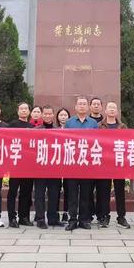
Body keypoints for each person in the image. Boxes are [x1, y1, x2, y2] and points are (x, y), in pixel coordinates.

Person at [64, 96, 98, 231]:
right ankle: (72, 220)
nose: (82, 106)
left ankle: (84, 220)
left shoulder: (93, 123)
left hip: (87, 164)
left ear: (88, 107)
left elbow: (97, 142)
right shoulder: (69, 122)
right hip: (72, 164)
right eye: (80, 104)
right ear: (76, 107)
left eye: (84, 104)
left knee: (86, 194)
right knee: (72, 194)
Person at [97, 102, 130, 229]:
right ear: (105, 111)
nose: (111, 110)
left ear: (117, 111)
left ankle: (121, 217)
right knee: (104, 191)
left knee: (119, 191)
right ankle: (105, 216)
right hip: (104, 163)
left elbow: (127, 143)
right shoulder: (99, 125)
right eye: (109, 108)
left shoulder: (122, 126)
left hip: (118, 163)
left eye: (114, 108)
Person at [34, 105, 65, 228]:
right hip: (40, 168)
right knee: (39, 194)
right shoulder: (36, 130)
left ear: (53, 115)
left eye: (49, 114)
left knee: (54, 194)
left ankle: (53, 218)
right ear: (42, 115)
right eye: (45, 114)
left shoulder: (59, 130)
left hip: (54, 168)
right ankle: (40, 218)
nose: (47, 116)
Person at [7, 102, 34, 228]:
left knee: (26, 192)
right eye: (21, 109)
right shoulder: (12, 125)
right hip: (14, 163)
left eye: (26, 109)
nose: (23, 111)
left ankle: (24, 217)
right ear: (18, 111)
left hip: (28, 165)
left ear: (29, 111)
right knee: (12, 191)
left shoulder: (32, 127)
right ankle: (12, 217)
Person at [56, 108, 71, 222]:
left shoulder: (72, 129)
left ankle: (66, 212)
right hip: (55, 163)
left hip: (68, 163)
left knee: (67, 189)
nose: (63, 117)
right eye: (61, 115)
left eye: (65, 115)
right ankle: (55, 212)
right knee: (55, 189)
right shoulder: (53, 129)